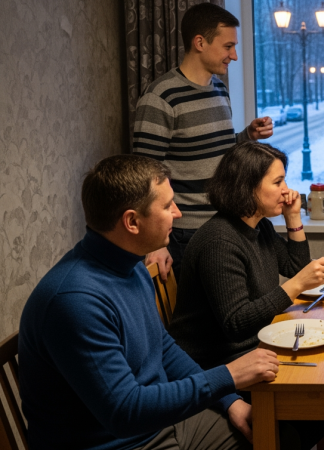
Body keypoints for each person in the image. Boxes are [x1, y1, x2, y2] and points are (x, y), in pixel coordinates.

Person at [18, 155, 280, 450]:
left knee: (276, 429)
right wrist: (229, 376)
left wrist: (230, 401)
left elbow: (163, 349)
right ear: (132, 221)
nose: (177, 213)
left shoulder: (132, 267)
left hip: (161, 424)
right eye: (167, 206)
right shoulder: (75, 301)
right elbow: (125, 412)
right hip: (122, 443)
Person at [168, 141, 324, 449]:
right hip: (215, 365)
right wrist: (296, 285)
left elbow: (293, 266)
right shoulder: (220, 241)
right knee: (317, 406)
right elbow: (237, 323)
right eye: (277, 182)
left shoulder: (259, 226)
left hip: (252, 348)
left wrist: (293, 218)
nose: (287, 190)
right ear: (248, 187)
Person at [133, 3, 273, 281]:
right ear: (199, 42)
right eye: (228, 46)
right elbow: (143, 176)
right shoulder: (160, 98)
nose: (234, 56)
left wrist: (247, 136)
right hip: (185, 233)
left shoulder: (220, 89)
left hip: (225, 221)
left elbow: (217, 151)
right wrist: (156, 243)